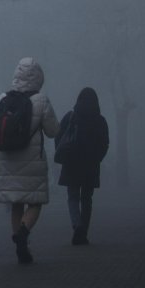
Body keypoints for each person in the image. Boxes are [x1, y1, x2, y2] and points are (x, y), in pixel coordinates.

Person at [0, 57, 60, 265]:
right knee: (36, 202)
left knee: (16, 203)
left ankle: (20, 246)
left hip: (7, 159)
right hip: (32, 161)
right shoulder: (41, 100)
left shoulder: (3, 98)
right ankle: (23, 233)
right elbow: (53, 131)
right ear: (39, 78)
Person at [55, 87, 110, 245]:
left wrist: (64, 155)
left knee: (72, 197)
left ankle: (76, 225)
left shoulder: (71, 117)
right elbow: (104, 143)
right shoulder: (99, 120)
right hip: (90, 165)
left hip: (71, 163)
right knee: (87, 199)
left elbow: (59, 136)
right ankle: (83, 232)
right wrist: (97, 158)